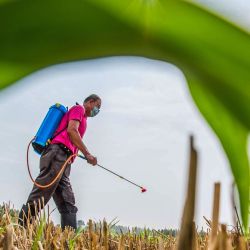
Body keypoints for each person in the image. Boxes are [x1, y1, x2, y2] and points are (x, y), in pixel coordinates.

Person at [18, 94, 102, 230]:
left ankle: (69, 239)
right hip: (57, 154)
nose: (97, 111)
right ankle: (20, 228)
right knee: (42, 192)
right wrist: (87, 153)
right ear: (90, 102)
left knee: (68, 202)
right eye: (97, 107)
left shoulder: (84, 117)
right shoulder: (78, 109)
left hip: (64, 160)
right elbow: (72, 130)